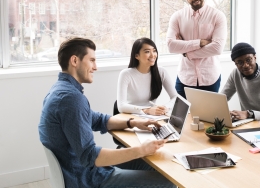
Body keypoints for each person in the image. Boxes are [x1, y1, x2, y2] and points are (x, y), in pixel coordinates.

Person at [38, 38, 175, 188]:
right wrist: (141, 150)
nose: (95, 67)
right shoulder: (71, 99)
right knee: (168, 182)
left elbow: (96, 119)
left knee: (153, 161)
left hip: (80, 170)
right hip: (87, 178)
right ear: (74, 61)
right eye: (92, 60)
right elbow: (90, 156)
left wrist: (133, 123)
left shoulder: (60, 90)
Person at [166, 0, 227, 98]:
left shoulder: (217, 16)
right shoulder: (177, 17)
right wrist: (199, 43)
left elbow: (217, 48)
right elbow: (171, 45)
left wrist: (187, 53)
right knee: (181, 116)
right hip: (185, 77)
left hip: (210, 77)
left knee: (208, 116)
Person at [221, 42, 260, 122]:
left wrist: (248, 114)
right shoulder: (235, 74)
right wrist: (225, 113)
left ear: (255, 57)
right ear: (235, 64)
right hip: (249, 124)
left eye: (248, 60)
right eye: (240, 62)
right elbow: (221, 99)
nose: (245, 65)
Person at [117, 37, 178, 116]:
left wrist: (165, 107)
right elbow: (121, 106)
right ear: (136, 56)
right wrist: (147, 110)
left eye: (154, 51)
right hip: (131, 116)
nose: (153, 55)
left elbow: (175, 97)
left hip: (152, 117)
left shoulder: (161, 71)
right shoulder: (126, 74)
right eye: (147, 52)